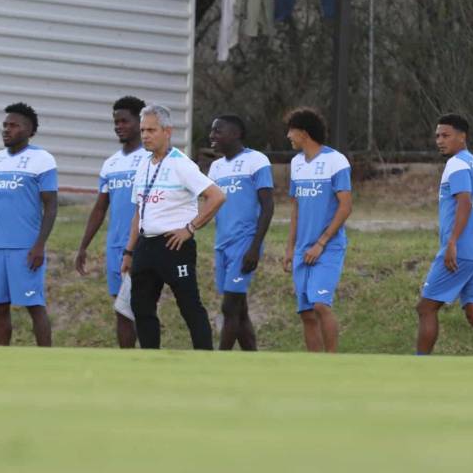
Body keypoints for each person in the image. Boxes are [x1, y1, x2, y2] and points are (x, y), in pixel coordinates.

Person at [121, 105, 225, 350]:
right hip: (146, 245)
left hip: (174, 244)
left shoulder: (181, 164)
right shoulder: (143, 164)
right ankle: (150, 360)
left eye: (151, 130)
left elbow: (217, 196)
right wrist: (129, 251)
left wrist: (190, 228)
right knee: (141, 307)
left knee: (189, 306)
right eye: (143, 130)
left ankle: (205, 358)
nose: (145, 135)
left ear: (167, 131)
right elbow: (139, 211)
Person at [0, 102, 57, 347]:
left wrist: (39, 246)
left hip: (25, 248)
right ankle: (0, 359)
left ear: (29, 130)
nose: (6, 130)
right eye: (5, 125)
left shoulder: (42, 160)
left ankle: (47, 361)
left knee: (34, 305)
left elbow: (51, 207)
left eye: (13, 125)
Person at [416, 114, 473, 356]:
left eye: (446, 135)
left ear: (462, 137)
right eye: (437, 136)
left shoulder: (457, 164)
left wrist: (452, 242)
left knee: (426, 308)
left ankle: (418, 366)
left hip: (462, 249)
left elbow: (465, 201)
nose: (440, 140)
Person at [75, 96, 148, 348]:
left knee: (140, 306)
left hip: (143, 244)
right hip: (115, 246)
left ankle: (149, 361)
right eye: (115, 122)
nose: (118, 126)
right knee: (121, 308)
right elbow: (99, 208)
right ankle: (127, 363)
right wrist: (83, 245)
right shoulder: (111, 163)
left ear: (140, 122)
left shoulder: (152, 158)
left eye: (124, 121)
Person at [282, 108, 352, 353]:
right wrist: (290, 248)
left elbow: (345, 207)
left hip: (327, 247)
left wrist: (321, 242)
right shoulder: (297, 163)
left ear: (303, 133)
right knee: (306, 313)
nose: (288, 136)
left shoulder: (336, 160)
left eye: (291, 131)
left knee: (321, 305)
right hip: (303, 249)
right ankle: (314, 366)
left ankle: (332, 362)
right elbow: (296, 210)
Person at [208, 115, 274, 350]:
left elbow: (267, 206)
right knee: (240, 309)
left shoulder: (256, 160)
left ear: (235, 134)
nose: (212, 136)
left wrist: (255, 246)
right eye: (211, 131)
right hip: (222, 244)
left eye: (218, 131)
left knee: (229, 306)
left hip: (245, 244)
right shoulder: (215, 168)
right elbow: (210, 205)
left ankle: (220, 361)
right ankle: (252, 360)